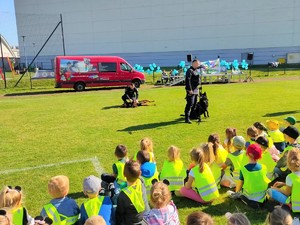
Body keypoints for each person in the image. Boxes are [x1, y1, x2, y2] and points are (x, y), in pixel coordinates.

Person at [233, 144, 270, 209]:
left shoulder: (243, 169)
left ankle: (251, 202)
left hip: (250, 196)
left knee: (241, 196)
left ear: (248, 154)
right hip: (262, 196)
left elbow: (239, 184)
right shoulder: (264, 167)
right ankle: (261, 202)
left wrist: (237, 192)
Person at [116, 160, 150, 225]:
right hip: (145, 216)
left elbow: (120, 212)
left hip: (132, 221)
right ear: (140, 173)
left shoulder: (123, 195)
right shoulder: (141, 181)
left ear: (124, 174)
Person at [268, 148, 300, 213]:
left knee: (270, 191)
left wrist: (277, 189)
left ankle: (289, 205)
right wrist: (284, 184)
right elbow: (297, 184)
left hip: (296, 207)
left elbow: (287, 193)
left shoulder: (290, 177)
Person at [184, 59, 201, 124]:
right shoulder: (189, 71)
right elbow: (187, 81)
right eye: (197, 64)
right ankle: (187, 118)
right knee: (190, 103)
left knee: (195, 103)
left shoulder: (196, 70)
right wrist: (189, 89)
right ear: (193, 63)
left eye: (199, 64)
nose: (198, 65)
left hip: (196, 89)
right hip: (191, 90)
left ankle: (192, 115)